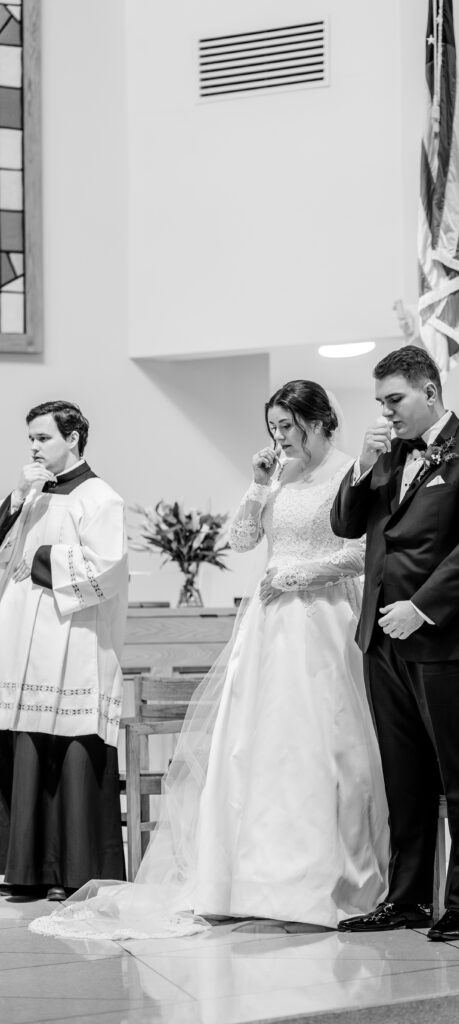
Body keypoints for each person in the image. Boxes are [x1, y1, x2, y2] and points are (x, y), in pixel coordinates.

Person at [30, 380, 388, 938]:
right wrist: (257, 484)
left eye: (287, 427)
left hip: (324, 620)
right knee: (252, 746)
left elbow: (362, 551)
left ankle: (322, 880)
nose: (279, 438)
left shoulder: (351, 472)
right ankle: (244, 881)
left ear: (318, 422)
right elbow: (244, 539)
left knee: (323, 742)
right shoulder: (280, 472)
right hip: (269, 625)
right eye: (272, 428)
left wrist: (296, 575)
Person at [331, 345, 459, 941]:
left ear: (429, 391)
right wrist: (361, 464)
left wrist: (422, 608)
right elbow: (345, 524)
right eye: (380, 402)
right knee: (402, 775)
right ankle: (406, 898)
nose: (387, 413)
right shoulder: (387, 454)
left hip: (450, 640)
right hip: (381, 641)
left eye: (395, 400)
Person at [0, 401, 128, 900]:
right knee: (27, 743)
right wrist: (17, 495)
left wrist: (40, 558)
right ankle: (27, 870)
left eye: (43, 438)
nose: (33, 447)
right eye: (30, 438)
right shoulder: (34, 496)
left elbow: (108, 568)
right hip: (23, 642)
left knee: (70, 746)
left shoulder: (100, 497)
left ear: (72, 438)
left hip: (72, 640)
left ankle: (73, 869)